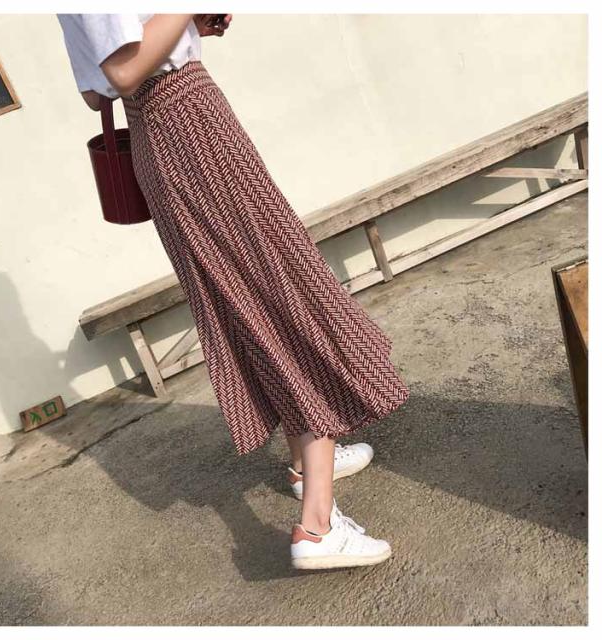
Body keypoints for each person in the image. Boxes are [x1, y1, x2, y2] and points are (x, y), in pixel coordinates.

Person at [57, 13, 410, 570]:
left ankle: (306, 463)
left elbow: (94, 90)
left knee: (246, 298)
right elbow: (123, 69)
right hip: (189, 122)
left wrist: (185, 25)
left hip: (160, 134)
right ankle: (318, 526)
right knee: (280, 288)